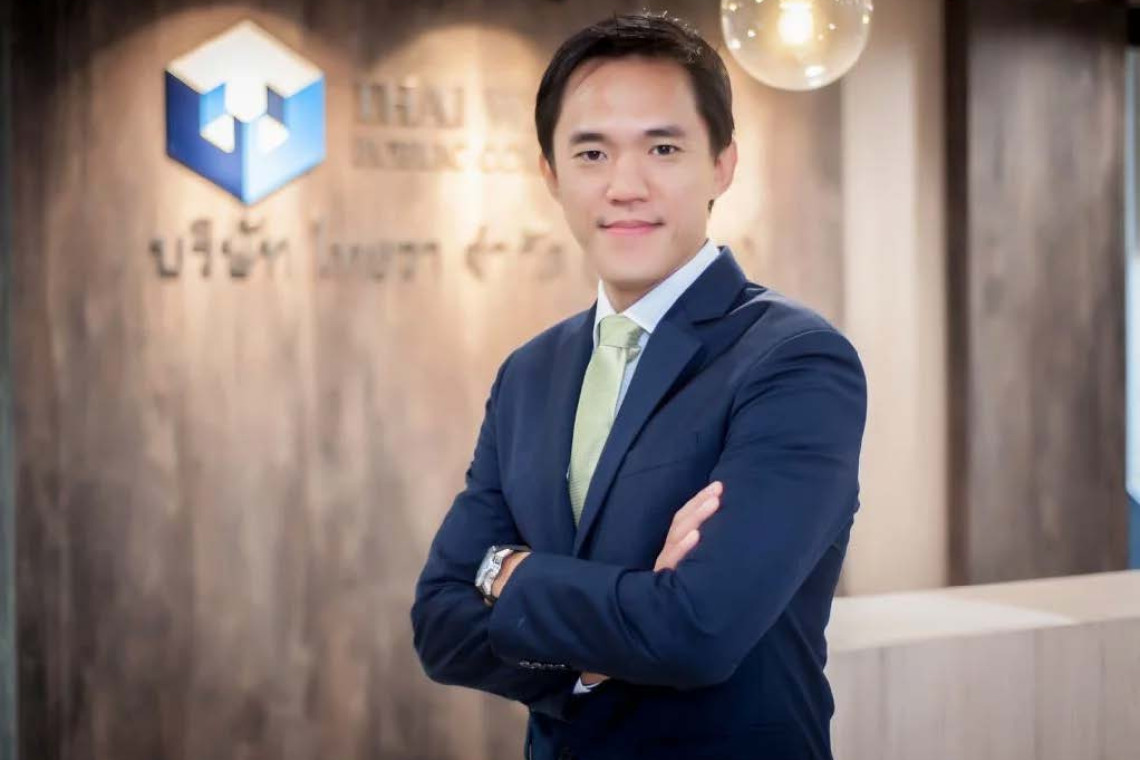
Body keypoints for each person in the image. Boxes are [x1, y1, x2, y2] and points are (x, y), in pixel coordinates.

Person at [411, 12, 867, 760]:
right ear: (551, 175)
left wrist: (506, 572)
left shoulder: (795, 361)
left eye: (663, 147)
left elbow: (698, 631)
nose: (625, 186)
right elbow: (439, 625)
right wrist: (618, 631)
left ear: (721, 164)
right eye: (592, 152)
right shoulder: (530, 372)